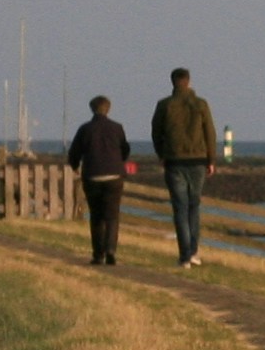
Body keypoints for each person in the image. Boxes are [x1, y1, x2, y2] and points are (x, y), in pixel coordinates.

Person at [148, 66, 219, 266]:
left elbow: (156, 133)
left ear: (172, 82)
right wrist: (211, 160)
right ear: (189, 81)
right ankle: (193, 251)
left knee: (180, 208)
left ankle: (185, 255)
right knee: (194, 206)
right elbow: (210, 133)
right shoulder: (201, 104)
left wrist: (161, 154)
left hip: (174, 161)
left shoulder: (164, 105)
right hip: (198, 161)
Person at [66, 92, 136, 265]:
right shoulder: (117, 128)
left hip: (93, 176)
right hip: (114, 175)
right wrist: (119, 161)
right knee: (112, 215)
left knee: (96, 216)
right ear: (108, 109)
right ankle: (111, 250)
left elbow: (74, 152)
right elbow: (125, 149)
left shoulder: (85, 129)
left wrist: (75, 166)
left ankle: (98, 254)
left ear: (92, 109)